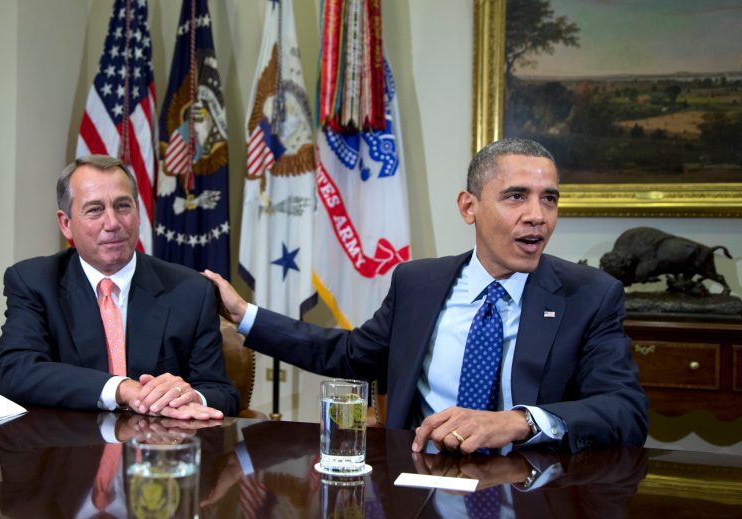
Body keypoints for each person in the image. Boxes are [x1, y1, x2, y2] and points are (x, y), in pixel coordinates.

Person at [204, 138, 648, 453]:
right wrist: (245, 315)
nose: (538, 216)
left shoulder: (590, 295)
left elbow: (625, 411)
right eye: (516, 197)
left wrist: (518, 421)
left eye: (549, 199)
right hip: (417, 479)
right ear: (468, 207)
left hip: (529, 489)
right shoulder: (419, 283)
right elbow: (348, 354)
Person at [0, 155, 237, 419]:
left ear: (138, 213)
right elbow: (14, 370)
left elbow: (221, 393)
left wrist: (187, 396)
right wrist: (120, 388)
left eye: (123, 206)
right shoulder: (35, 281)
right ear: (66, 224)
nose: (112, 223)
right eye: (95, 209)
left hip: (158, 452)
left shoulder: (190, 290)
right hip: (71, 450)